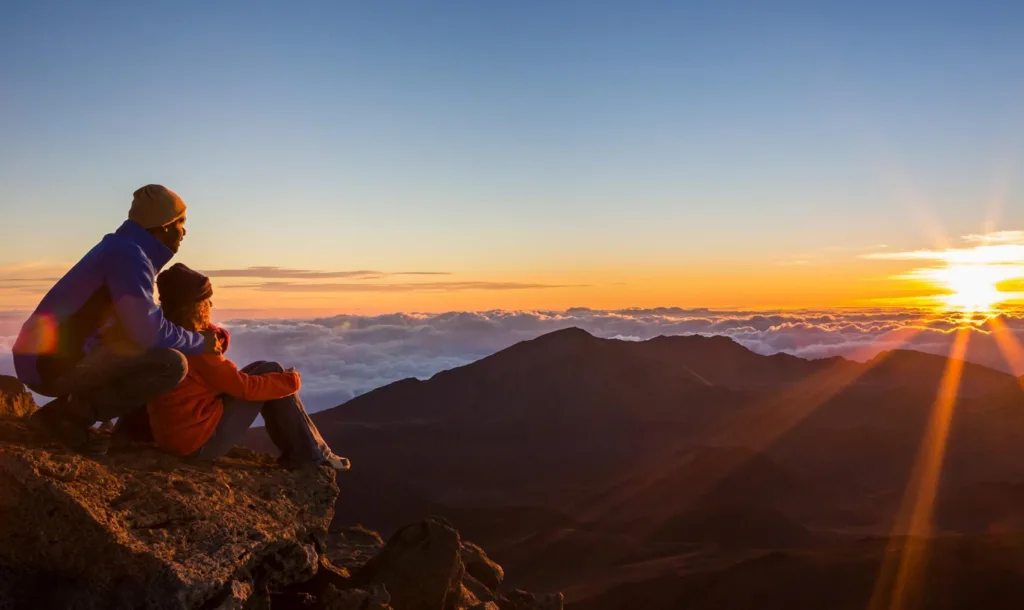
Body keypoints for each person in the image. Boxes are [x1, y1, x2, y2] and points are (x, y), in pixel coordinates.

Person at [13, 185, 219, 454]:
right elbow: (148, 332)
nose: (184, 231)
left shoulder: (120, 248)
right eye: (181, 222)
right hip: (50, 363)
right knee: (169, 363)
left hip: (41, 356)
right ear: (164, 225)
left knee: (147, 349)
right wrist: (200, 341)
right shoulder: (129, 257)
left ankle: (70, 415)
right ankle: (67, 418)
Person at [147, 263, 350, 470]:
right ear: (196, 307)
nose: (211, 305)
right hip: (198, 443)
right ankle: (311, 456)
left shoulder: (171, 336)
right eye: (206, 300)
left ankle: (312, 452)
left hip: (176, 435)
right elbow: (245, 388)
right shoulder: (197, 347)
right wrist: (291, 381)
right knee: (275, 376)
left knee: (267, 368)